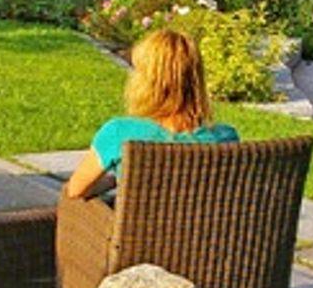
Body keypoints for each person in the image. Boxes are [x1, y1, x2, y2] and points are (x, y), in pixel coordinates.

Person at [64, 27, 240, 199]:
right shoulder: (226, 138)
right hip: (204, 219)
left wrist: (118, 181)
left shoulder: (119, 133)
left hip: (137, 220)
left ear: (147, 82)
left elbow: (76, 190)